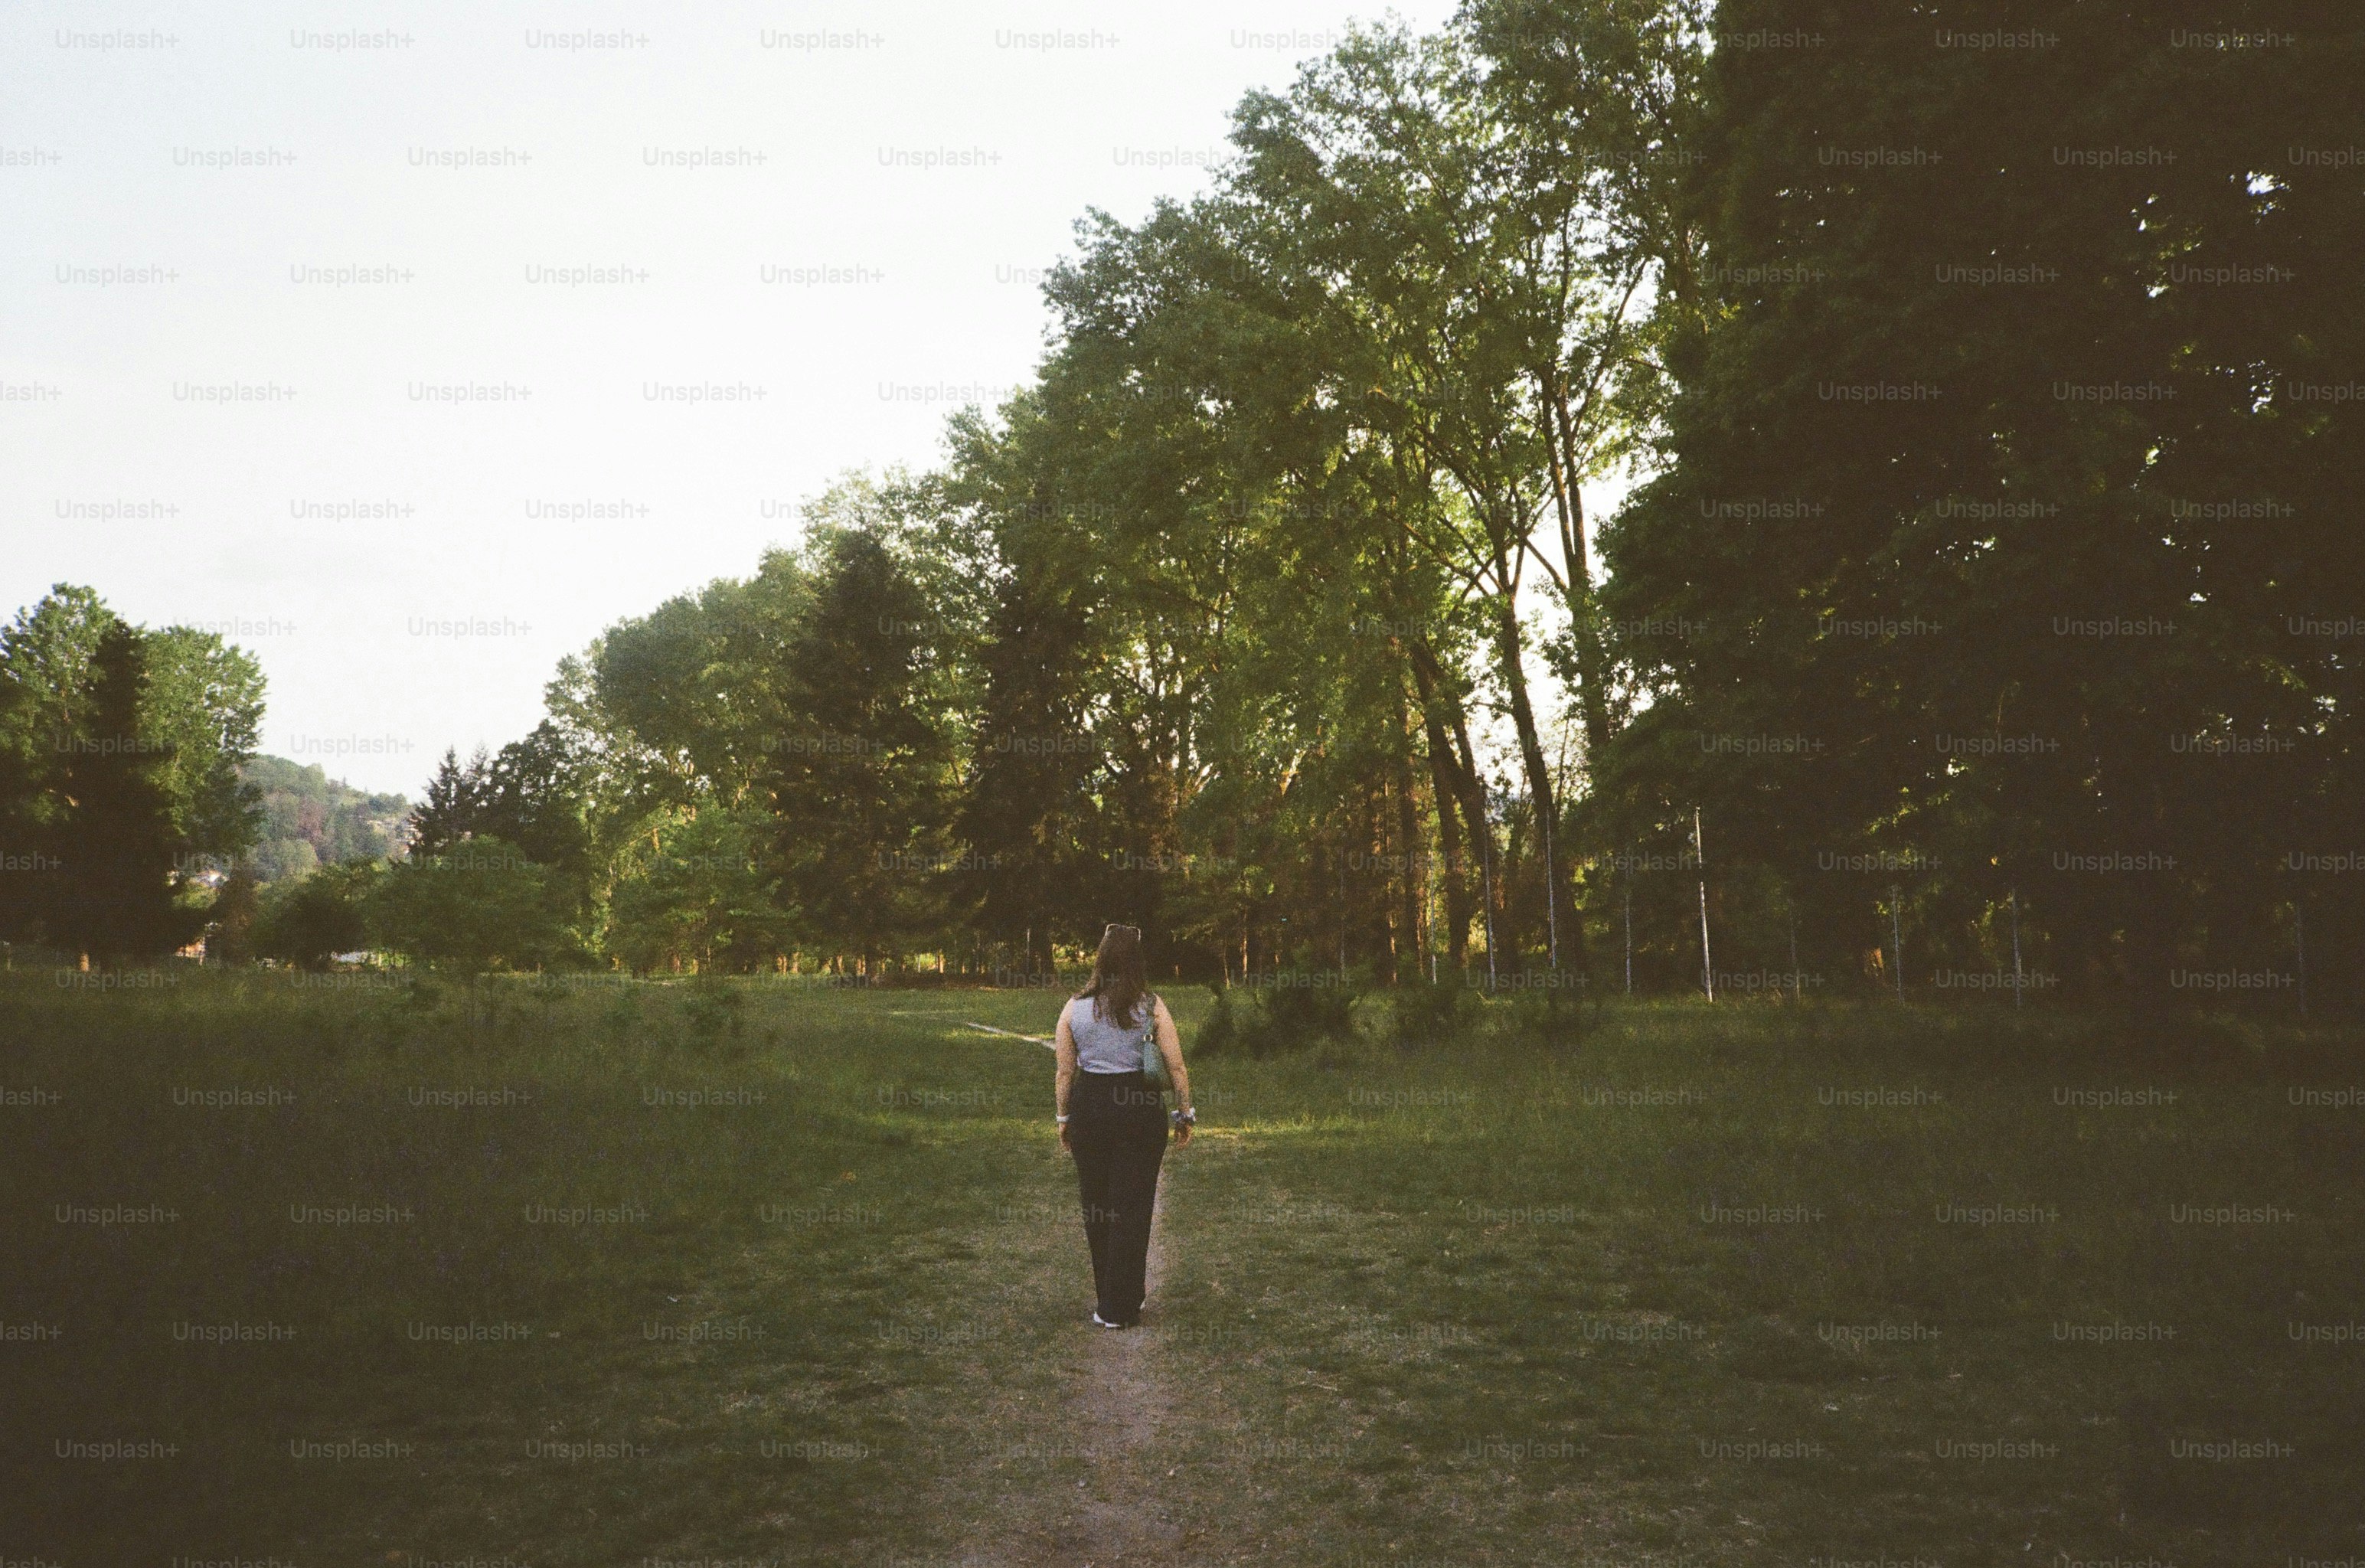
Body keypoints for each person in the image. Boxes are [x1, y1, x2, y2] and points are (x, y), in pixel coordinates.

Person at [1053, 923, 1194, 1328]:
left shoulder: (1073, 1008)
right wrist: (1184, 1114)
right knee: (1133, 1207)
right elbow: (1177, 1066)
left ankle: (1110, 1299)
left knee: (1097, 1208)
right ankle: (1124, 1301)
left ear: (1100, 958)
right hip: (1138, 1110)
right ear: (1137, 962)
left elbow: (1065, 1073)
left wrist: (1064, 1119)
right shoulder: (1152, 1006)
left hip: (1091, 1109)